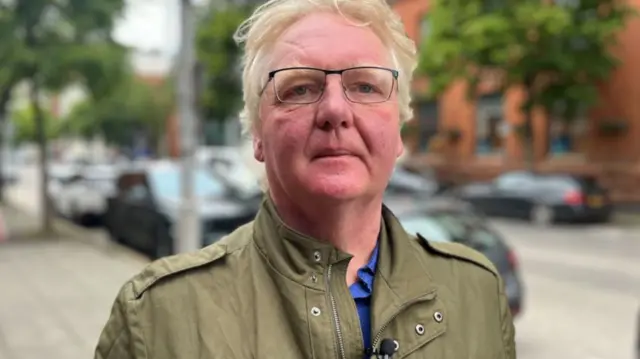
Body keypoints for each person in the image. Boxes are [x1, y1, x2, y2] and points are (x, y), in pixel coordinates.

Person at [94, 0, 516, 358]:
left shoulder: (477, 291)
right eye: (299, 89)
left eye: (366, 86)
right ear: (258, 135)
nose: (335, 110)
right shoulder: (157, 318)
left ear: (399, 130)